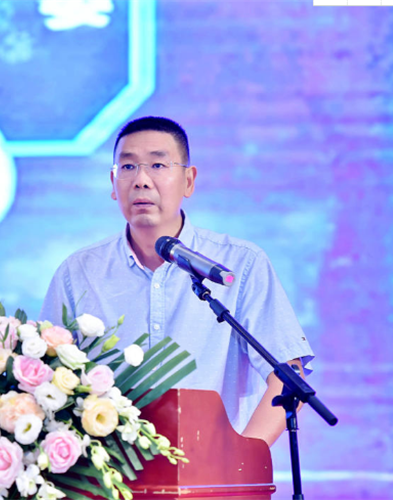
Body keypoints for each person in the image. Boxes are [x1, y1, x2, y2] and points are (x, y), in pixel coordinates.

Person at [39, 116, 314, 446]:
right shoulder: (78, 273)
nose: (141, 180)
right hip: (109, 471)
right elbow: (47, 384)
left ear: (188, 180)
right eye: (128, 167)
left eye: (158, 165)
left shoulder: (241, 264)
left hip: (211, 472)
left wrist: (243, 459)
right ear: (113, 182)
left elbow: (287, 377)